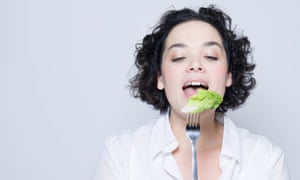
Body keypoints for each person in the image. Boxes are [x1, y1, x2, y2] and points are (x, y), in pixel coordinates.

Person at [92, 5, 290, 180]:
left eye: (210, 56)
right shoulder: (121, 155)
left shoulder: (265, 159)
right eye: (179, 57)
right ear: (160, 77)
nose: (195, 65)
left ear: (229, 75)